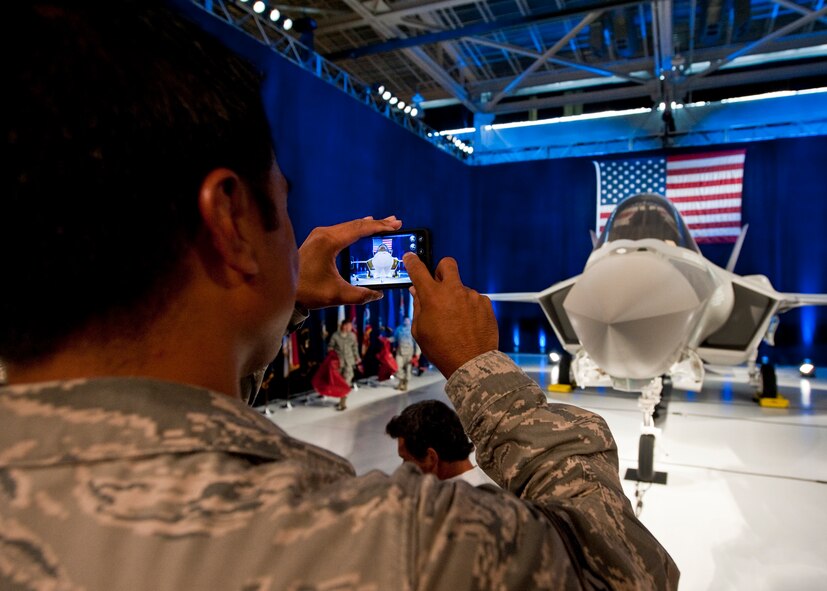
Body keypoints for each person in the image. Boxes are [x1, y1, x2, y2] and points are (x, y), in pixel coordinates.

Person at [0, 2, 679, 590]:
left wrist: (275, 303)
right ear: (230, 219)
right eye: (282, 197)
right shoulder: (399, 545)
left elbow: (163, 414)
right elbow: (621, 568)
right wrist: (482, 373)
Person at [386, 400, 498, 487]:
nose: (403, 467)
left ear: (431, 457)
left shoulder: (443, 509)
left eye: (406, 459)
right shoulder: (491, 484)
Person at [327, 318, 362, 409]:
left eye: (350, 326)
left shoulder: (352, 336)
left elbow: (355, 348)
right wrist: (332, 354)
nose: (350, 327)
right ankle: (340, 399)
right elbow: (330, 347)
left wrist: (357, 358)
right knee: (339, 383)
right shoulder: (335, 336)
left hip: (349, 363)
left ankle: (343, 402)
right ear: (343, 325)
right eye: (348, 325)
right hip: (339, 363)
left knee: (346, 382)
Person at [392, 315, 418, 391]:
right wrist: (386, 340)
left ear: (410, 321)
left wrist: (417, 354)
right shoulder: (399, 329)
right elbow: (394, 338)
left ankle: (405, 384)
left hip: (409, 353)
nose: (406, 321)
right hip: (400, 352)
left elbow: (417, 343)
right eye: (405, 320)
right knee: (398, 368)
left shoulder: (413, 329)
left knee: (408, 369)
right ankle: (401, 382)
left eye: (407, 320)